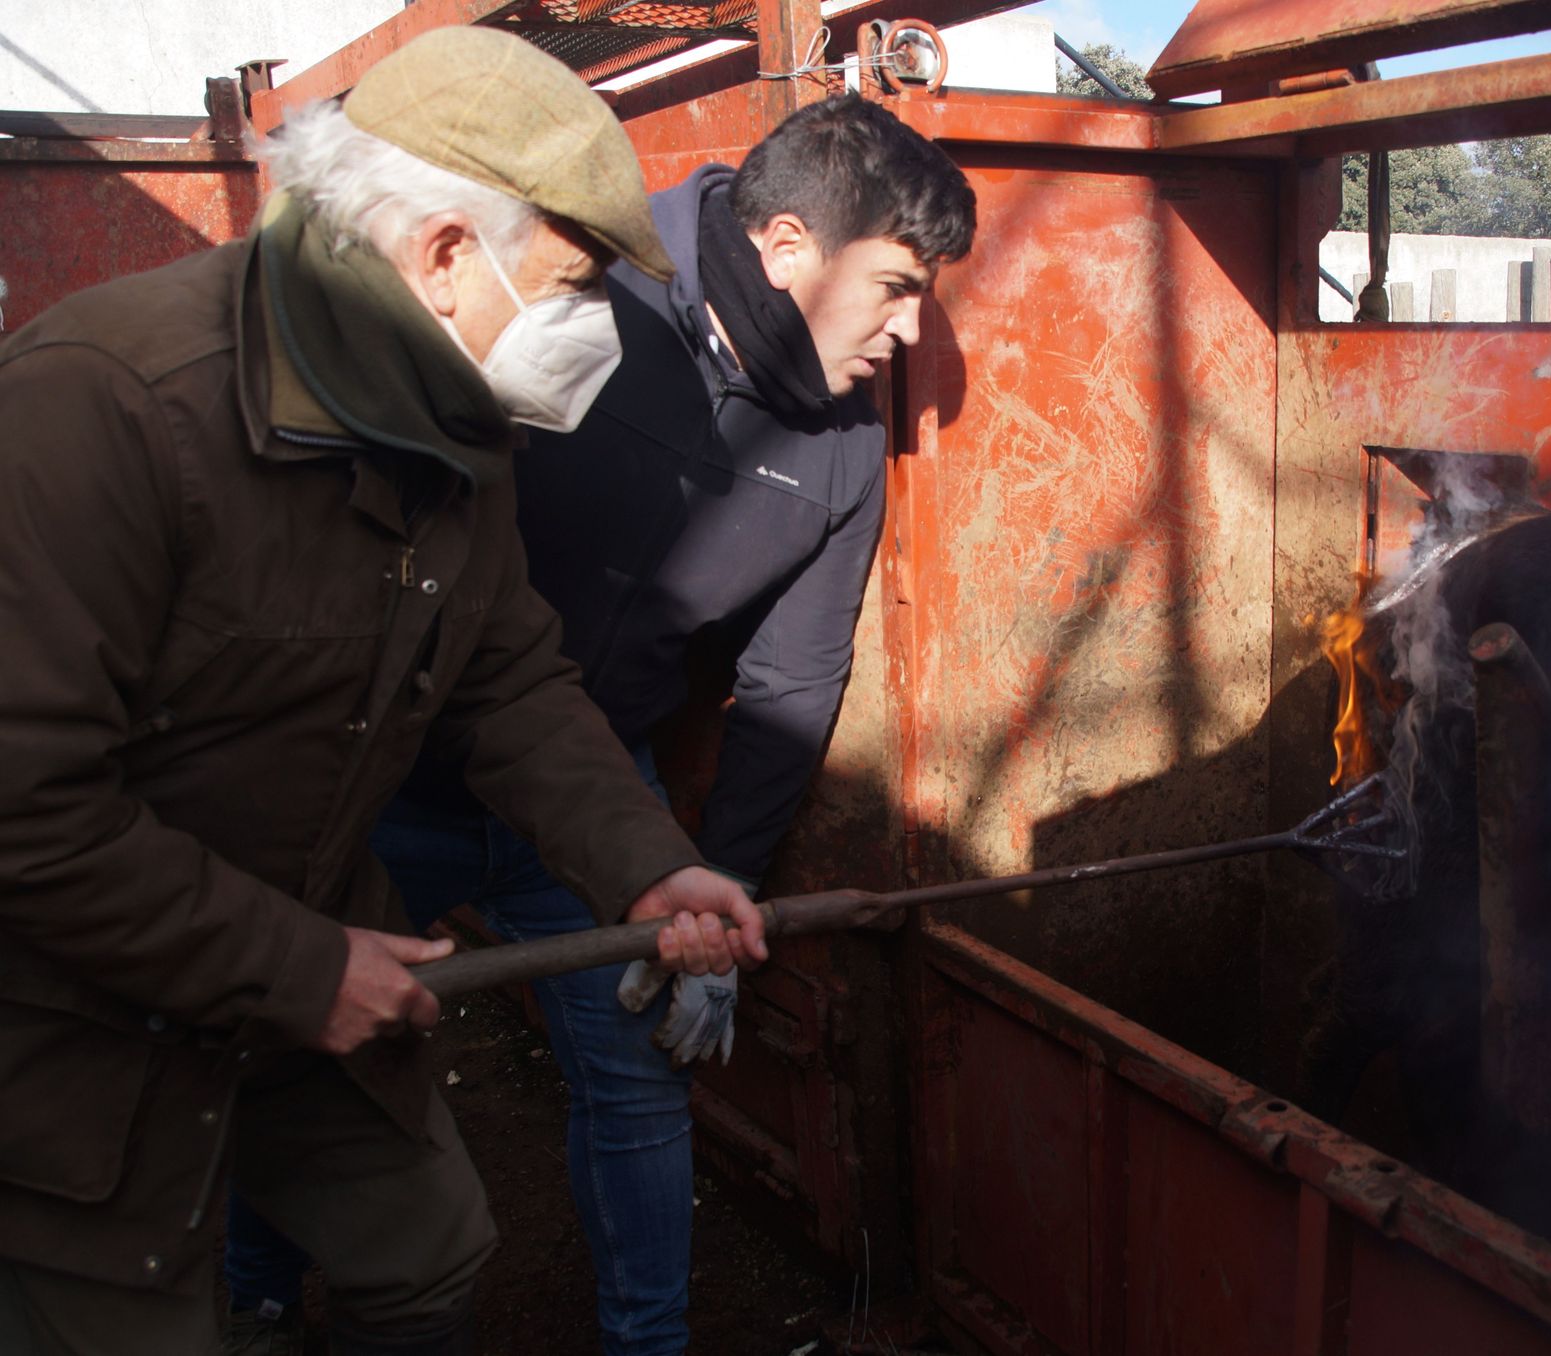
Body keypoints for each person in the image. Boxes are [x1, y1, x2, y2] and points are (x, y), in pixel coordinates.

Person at [0, 25, 766, 1356]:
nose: (588, 332)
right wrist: (296, 968)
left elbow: (508, 677)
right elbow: (23, 808)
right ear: (447, 254)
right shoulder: (106, 406)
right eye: (572, 286)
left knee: (422, 1258)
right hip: (75, 1004)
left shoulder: (450, 428)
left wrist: (647, 868)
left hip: (306, 948)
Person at [223, 94, 976, 1356]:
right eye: (897, 287)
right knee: (301, 1042)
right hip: (385, 766)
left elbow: (793, 686)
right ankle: (248, 1295)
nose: (909, 336)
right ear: (789, 249)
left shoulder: (843, 449)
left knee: (635, 1084)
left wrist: (712, 882)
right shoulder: (574, 303)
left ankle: (649, 1340)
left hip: (576, 792)